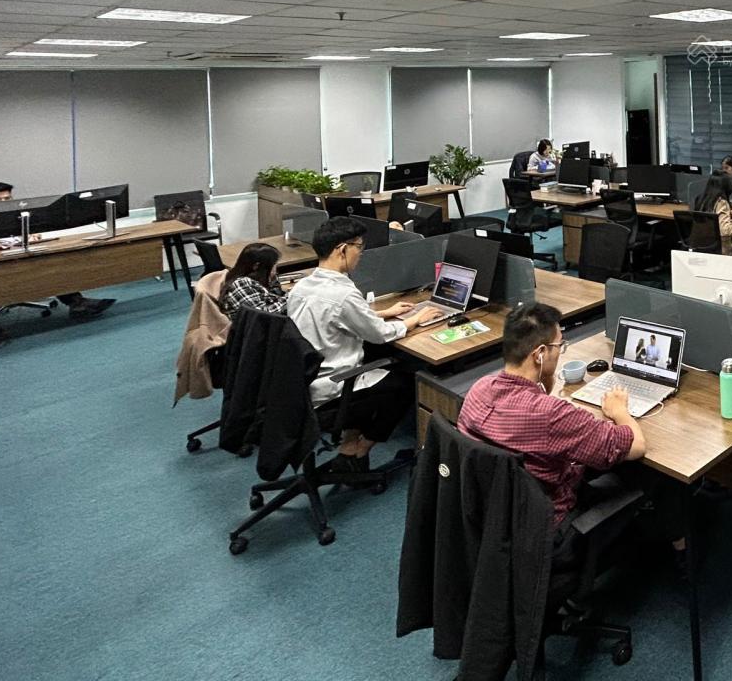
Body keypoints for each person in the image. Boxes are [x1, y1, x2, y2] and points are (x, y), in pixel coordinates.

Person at [457, 304, 687, 587]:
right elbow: (636, 445)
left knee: (594, 459)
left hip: (500, 518)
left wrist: (544, 384)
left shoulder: (478, 390)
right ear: (540, 354)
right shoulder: (550, 415)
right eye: (559, 346)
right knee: (655, 470)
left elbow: (531, 429)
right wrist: (620, 411)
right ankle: (681, 552)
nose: (560, 352)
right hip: (551, 532)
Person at [286, 216, 432, 475]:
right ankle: (360, 448)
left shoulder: (303, 285)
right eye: (359, 247)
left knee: (376, 357)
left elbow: (336, 316)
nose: (361, 254)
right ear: (342, 249)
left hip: (302, 382)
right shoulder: (343, 293)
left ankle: (349, 442)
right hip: (332, 386)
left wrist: (383, 312)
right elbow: (380, 334)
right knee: (407, 381)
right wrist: (415, 319)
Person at [0, 181, 114, 321]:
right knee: (43, 268)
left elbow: (30, 233)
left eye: (7, 199)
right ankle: (77, 303)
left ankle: (77, 303)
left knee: (52, 265)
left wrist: (32, 236)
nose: (3, 203)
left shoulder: (16, 214)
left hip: (19, 254)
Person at [217, 242, 286, 317]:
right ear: (257, 266)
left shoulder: (259, 280)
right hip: (258, 323)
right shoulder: (241, 284)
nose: (275, 270)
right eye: (274, 265)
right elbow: (260, 316)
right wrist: (289, 299)